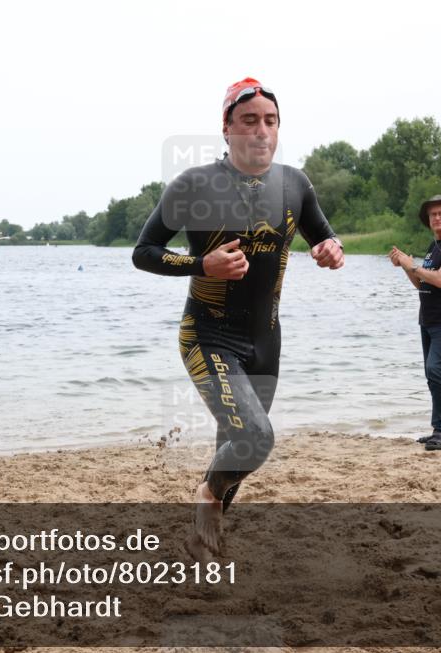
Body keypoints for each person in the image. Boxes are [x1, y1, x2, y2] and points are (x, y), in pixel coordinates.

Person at [132, 77, 344, 560]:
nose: (261, 131)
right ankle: (206, 502)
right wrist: (201, 265)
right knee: (256, 437)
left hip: (265, 340)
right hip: (207, 336)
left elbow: (325, 239)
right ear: (226, 128)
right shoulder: (194, 184)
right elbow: (143, 253)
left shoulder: (296, 184)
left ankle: (204, 538)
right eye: (249, 120)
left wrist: (332, 249)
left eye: (270, 121)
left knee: (238, 446)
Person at [389, 195, 441, 451]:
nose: (437, 218)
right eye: (433, 215)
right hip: (428, 316)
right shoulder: (434, 245)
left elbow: (440, 280)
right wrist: (405, 266)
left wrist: (411, 264)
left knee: (435, 369)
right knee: (430, 372)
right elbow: (421, 282)